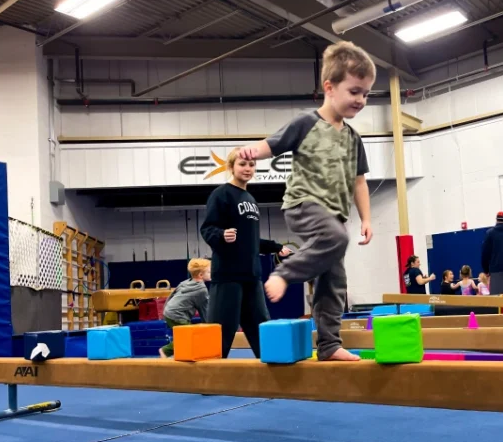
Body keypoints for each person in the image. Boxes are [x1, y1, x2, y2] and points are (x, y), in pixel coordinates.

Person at [237, 41, 375, 361]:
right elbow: (273, 144)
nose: (361, 100)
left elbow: (359, 181)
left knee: (334, 279)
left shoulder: (354, 138)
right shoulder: (306, 123)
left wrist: (366, 219)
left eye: (366, 94)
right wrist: (250, 152)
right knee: (336, 237)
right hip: (303, 205)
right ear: (329, 87)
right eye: (355, 91)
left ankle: (329, 345)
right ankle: (286, 272)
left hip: (334, 216)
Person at [201, 148, 291, 358]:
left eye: (251, 165)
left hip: (251, 276)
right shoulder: (221, 194)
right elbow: (207, 228)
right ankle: (210, 376)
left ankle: (271, 369)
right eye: (242, 164)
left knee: (260, 325)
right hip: (228, 275)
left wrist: (275, 247)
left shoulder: (250, 198)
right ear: (231, 167)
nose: (248, 169)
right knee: (222, 328)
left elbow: (250, 239)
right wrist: (222, 235)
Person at [159, 258, 211, 358]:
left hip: (169, 312)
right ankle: (165, 351)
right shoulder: (201, 290)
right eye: (209, 272)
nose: (211, 273)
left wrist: (164, 310)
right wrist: (209, 325)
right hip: (178, 315)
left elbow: (172, 295)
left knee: (184, 336)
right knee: (188, 337)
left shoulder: (186, 282)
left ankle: (180, 354)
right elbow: (204, 310)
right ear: (200, 275)